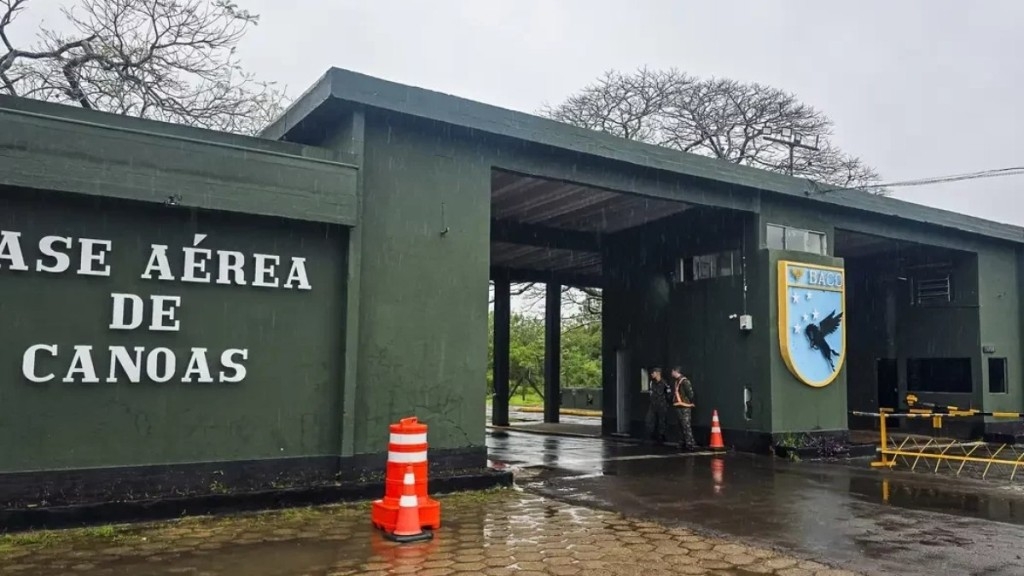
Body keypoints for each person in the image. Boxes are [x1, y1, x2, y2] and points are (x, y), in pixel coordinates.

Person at [670, 366, 698, 452]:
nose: (671, 373)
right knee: (680, 426)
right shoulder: (677, 382)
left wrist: (691, 402)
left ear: (675, 371)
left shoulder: (684, 381)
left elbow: (690, 393)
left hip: (685, 407)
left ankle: (690, 443)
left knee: (686, 425)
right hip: (678, 406)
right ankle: (682, 442)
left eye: (672, 371)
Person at [644, 367, 669, 444]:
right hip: (653, 404)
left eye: (653, 373)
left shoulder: (664, 383)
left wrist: (666, 403)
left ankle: (661, 436)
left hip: (662, 405)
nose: (652, 374)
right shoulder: (652, 383)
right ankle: (652, 435)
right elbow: (651, 393)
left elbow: (668, 394)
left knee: (662, 421)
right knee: (650, 420)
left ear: (658, 373)